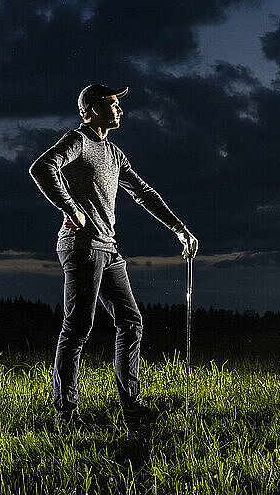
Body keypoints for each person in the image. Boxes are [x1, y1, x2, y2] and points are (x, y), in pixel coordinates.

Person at [29, 84, 198, 428]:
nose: (120, 109)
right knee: (78, 328)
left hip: (109, 248)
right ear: (91, 109)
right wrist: (70, 208)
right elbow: (42, 167)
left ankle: (132, 407)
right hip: (81, 246)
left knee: (131, 321)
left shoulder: (114, 152)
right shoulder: (78, 140)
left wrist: (179, 229)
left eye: (119, 104)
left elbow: (143, 192)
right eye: (113, 103)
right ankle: (66, 414)